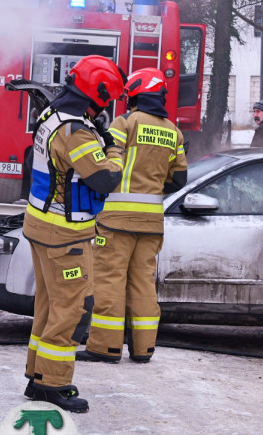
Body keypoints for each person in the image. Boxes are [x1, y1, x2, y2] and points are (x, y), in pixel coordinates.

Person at [22, 55, 126, 413]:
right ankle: (54, 384)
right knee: (74, 309)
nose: (105, 109)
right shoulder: (75, 131)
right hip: (65, 236)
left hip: (41, 225)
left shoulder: (51, 116)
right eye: (105, 101)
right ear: (97, 95)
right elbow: (105, 178)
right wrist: (114, 149)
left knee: (49, 306)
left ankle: (38, 376)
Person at [79, 68, 187, 365]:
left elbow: (107, 162)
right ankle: (143, 349)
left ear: (137, 93)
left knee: (110, 281)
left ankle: (105, 347)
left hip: (116, 220)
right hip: (152, 223)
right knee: (143, 283)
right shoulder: (173, 131)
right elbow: (179, 179)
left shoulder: (125, 123)